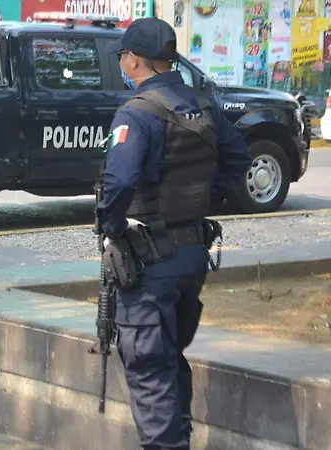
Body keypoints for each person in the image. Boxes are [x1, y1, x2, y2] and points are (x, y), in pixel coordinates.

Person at [98, 18, 251, 450]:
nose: (123, 63)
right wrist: (202, 202)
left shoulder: (137, 112)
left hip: (150, 260)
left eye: (124, 56)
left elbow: (121, 181)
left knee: (148, 368)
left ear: (135, 61)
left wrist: (112, 228)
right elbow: (238, 159)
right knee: (168, 359)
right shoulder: (202, 103)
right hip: (191, 254)